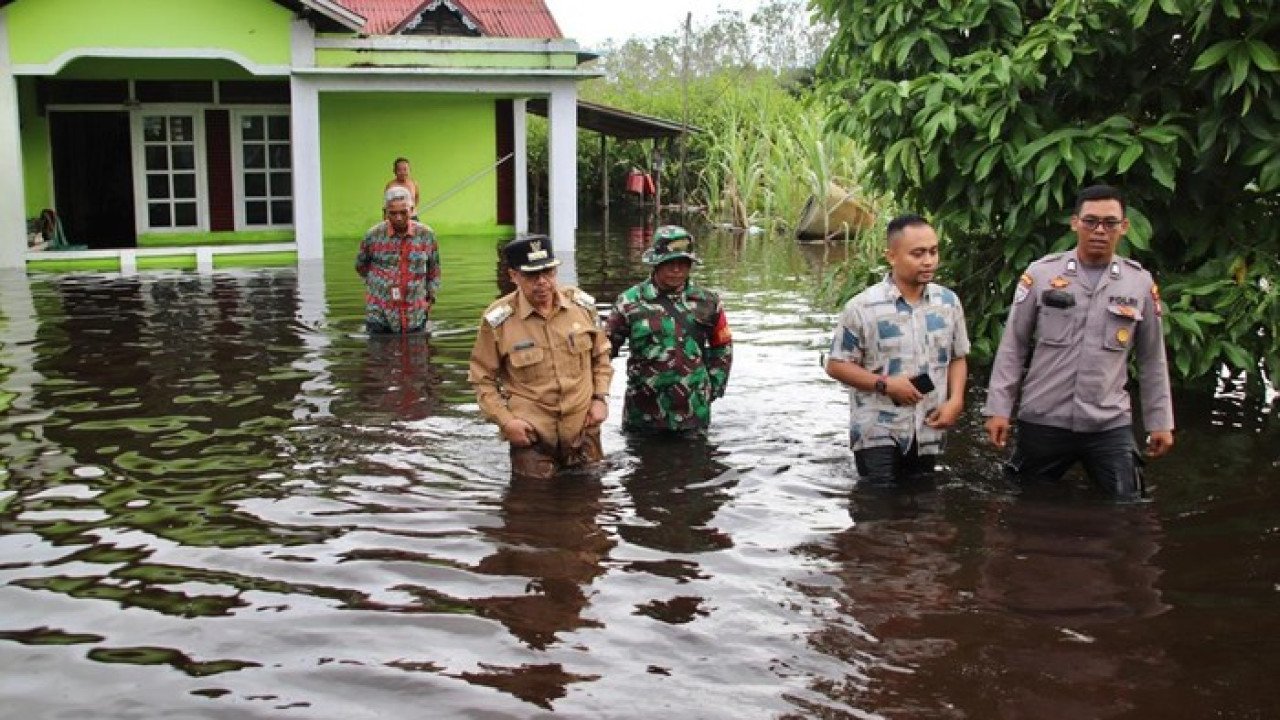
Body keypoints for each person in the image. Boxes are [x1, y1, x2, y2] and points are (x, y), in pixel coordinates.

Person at [983, 184, 1174, 498]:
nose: (1099, 230)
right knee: (1023, 501)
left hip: (1107, 422)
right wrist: (998, 409)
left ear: (1124, 227)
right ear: (1075, 223)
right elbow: (1013, 345)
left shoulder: (1139, 283)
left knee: (1129, 504)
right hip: (1044, 417)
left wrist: (1160, 421)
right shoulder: (1041, 275)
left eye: (1110, 222)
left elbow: (1153, 358)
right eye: (1091, 221)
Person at [824, 214, 970, 487]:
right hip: (877, 429)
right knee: (876, 511)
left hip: (928, 427)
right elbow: (836, 365)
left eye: (933, 251)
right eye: (918, 254)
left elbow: (958, 356)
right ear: (891, 256)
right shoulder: (862, 307)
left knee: (924, 509)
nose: (929, 261)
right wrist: (886, 384)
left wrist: (956, 400)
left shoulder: (948, 303)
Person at [468, 235, 614, 479]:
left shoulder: (582, 306)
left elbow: (601, 357)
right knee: (532, 508)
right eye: (532, 275)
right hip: (532, 438)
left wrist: (600, 398)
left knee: (590, 505)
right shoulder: (498, 320)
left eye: (548, 272)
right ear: (513, 276)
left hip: (584, 430)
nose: (543, 282)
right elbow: (482, 379)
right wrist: (506, 422)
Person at [604, 225, 733, 434]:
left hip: (694, 411)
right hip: (643, 413)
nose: (677, 270)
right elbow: (605, 349)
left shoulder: (708, 301)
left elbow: (722, 346)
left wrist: (712, 389)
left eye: (683, 263)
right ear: (655, 264)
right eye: (669, 263)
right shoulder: (629, 302)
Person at [355, 187, 441, 334]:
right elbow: (361, 265)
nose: (399, 217)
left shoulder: (426, 235)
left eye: (403, 212)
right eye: (393, 213)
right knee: (378, 353)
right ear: (385, 212)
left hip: (415, 313)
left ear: (412, 210)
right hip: (379, 311)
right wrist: (379, 284)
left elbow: (434, 270)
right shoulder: (373, 235)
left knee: (417, 353)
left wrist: (430, 299)